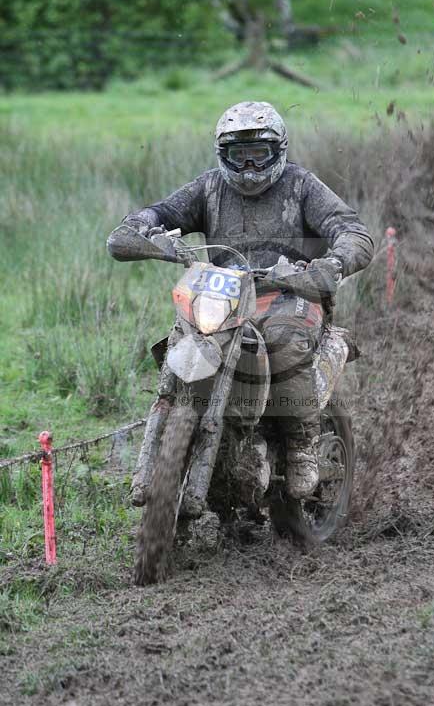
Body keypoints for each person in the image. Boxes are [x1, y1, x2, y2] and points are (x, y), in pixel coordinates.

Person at [108, 101, 373, 500]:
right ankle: (170, 441)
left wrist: (332, 264)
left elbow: (352, 230)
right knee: (181, 341)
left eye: (258, 155)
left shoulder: (302, 186)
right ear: (223, 156)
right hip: (225, 297)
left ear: (278, 150)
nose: (248, 167)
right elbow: (159, 211)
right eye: (238, 156)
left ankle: (302, 448)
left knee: (284, 344)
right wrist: (145, 232)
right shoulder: (209, 188)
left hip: (290, 293)